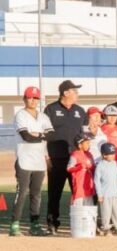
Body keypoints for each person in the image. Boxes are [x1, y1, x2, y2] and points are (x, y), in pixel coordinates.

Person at [43, 80, 88, 233]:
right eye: (75, 91)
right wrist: (46, 156)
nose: (77, 94)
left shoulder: (80, 111)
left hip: (76, 159)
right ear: (65, 93)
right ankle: (52, 223)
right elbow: (44, 134)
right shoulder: (50, 109)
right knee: (54, 193)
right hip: (56, 158)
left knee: (79, 192)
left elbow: (85, 134)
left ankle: (81, 222)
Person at [11, 86, 53, 237]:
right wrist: (42, 135)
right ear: (24, 99)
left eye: (36, 98)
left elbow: (51, 135)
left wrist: (38, 134)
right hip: (24, 159)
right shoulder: (20, 115)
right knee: (22, 192)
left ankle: (34, 225)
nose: (33, 100)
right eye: (30, 97)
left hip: (39, 161)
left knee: (36, 194)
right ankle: (14, 225)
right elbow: (26, 137)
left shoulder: (43, 117)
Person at [94, 142, 117, 236]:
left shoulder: (114, 163)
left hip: (114, 193)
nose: (113, 155)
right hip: (105, 194)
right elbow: (97, 181)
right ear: (104, 155)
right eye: (110, 154)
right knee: (106, 212)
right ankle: (106, 228)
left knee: (116, 211)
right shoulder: (100, 165)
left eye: (113, 153)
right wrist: (99, 194)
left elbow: (116, 177)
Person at [67, 133, 96, 209]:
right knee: (78, 204)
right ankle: (77, 216)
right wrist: (79, 167)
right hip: (79, 184)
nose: (89, 145)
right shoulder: (75, 155)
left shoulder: (89, 154)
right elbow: (69, 168)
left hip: (89, 184)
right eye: (87, 143)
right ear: (80, 145)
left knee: (89, 204)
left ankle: (88, 216)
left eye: (89, 143)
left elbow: (93, 166)